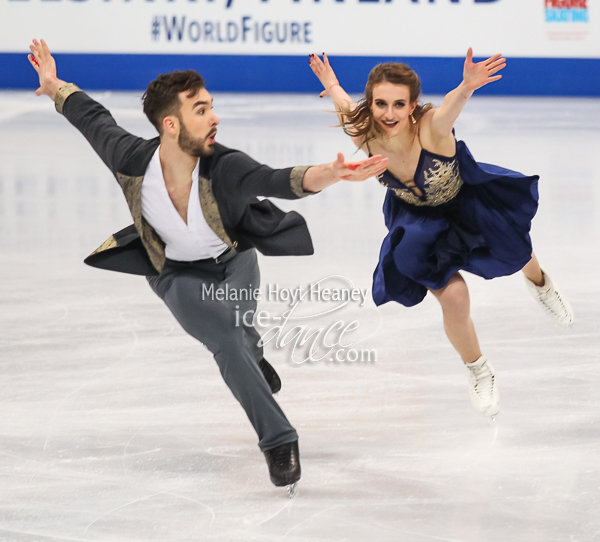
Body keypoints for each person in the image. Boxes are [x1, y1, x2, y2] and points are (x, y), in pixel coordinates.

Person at [27, 39, 388, 496]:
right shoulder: (131, 160)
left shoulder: (227, 166)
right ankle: (279, 440)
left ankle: (255, 357)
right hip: (175, 274)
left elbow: (278, 180)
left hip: (236, 260)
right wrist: (55, 85)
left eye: (211, 106)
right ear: (171, 124)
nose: (214, 117)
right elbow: (93, 118)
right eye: (201, 110)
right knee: (227, 343)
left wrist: (332, 173)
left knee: (241, 335)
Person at [308, 50, 574, 418]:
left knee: (515, 248)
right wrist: (331, 83)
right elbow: (342, 100)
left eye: (399, 104)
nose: (388, 113)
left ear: (413, 105)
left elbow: (451, 105)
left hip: (466, 203)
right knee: (455, 299)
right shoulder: (363, 131)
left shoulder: (432, 127)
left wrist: (466, 86)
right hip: (419, 224)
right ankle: (478, 368)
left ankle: (540, 283)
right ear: (369, 104)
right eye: (380, 103)